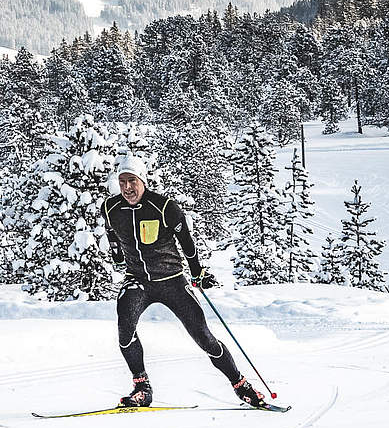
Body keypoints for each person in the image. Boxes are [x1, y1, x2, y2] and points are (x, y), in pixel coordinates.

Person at [102, 155, 268, 409]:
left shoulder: (164, 206)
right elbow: (111, 231)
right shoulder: (110, 207)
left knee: (205, 339)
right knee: (125, 331)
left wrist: (197, 272)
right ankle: (142, 387)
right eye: (122, 181)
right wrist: (116, 255)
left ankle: (240, 384)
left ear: (142, 181)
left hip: (172, 282)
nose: (127, 188)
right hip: (138, 281)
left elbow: (187, 243)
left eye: (132, 181)